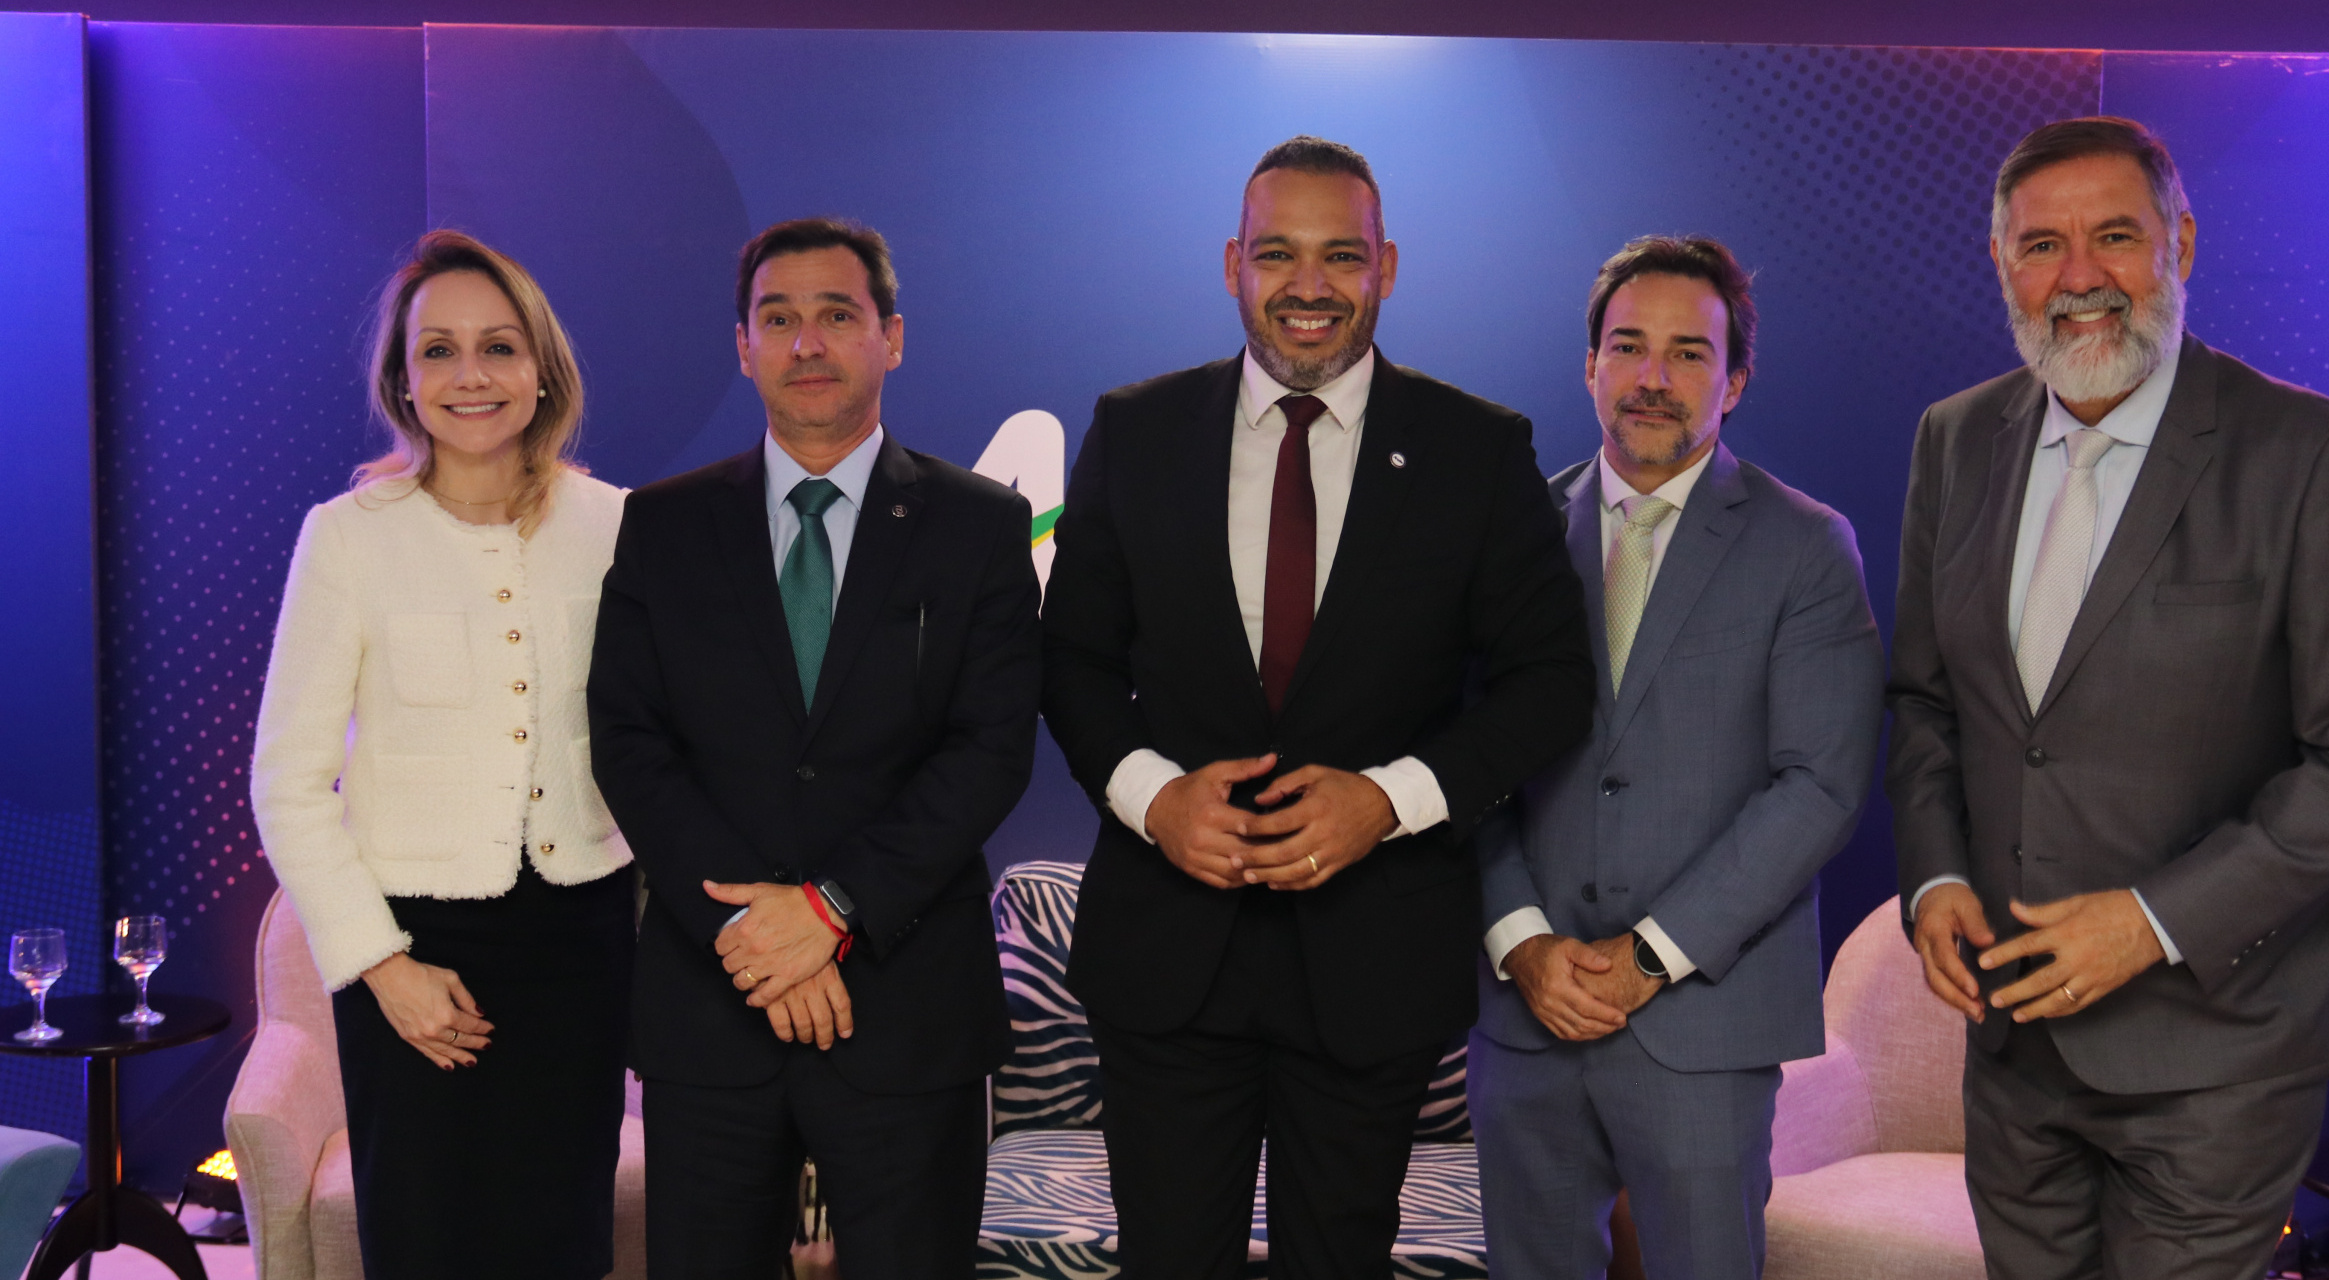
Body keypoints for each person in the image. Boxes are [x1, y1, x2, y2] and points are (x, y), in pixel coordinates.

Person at [1887, 116, 2329, 1279]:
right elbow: (1927, 700)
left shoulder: (2316, 454)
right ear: (2000, 262)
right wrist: (1934, 874)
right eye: (2041, 245)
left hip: (2221, 1052)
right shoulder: (1953, 439)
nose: (2078, 276)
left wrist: (2149, 918)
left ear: (2180, 242)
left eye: (2116, 236)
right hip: (2015, 1043)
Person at [1041, 135, 1595, 1280]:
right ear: (1231, 264)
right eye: (1276, 253)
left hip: (1372, 959)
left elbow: (1549, 683)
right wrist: (1156, 800)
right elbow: (1070, 661)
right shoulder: (1136, 430)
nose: (1308, 285)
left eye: (1340, 255)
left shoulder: (1477, 450)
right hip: (1167, 954)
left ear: (1384, 265)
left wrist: (1387, 801)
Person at [587, 217, 1039, 1278]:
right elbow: (631, 742)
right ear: (742, 346)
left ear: (892, 337)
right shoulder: (663, 525)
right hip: (715, 1006)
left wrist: (833, 908)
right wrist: (755, 931)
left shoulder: (980, 526)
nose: (807, 343)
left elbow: (989, 748)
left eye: (837, 314)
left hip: (906, 1007)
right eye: (778, 318)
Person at [1469, 236, 1883, 1278]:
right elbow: (1465, 760)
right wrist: (1523, 941)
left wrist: (1650, 955)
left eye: (1689, 353)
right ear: (1589, 366)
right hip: (1527, 1014)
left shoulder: (1805, 546)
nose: (1652, 376)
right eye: (1628, 346)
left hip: (1706, 1023)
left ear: (1733, 381)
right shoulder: (1511, 536)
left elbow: (1820, 784)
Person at [250, 230, 633, 1280]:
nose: (472, 375)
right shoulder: (347, 534)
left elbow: (657, 739)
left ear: (542, 370)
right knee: (427, 1242)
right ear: (403, 382)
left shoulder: (616, 524)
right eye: (439, 351)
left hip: (582, 945)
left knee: (562, 1244)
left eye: (499, 346)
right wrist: (382, 966)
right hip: (412, 953)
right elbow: (286, 782)